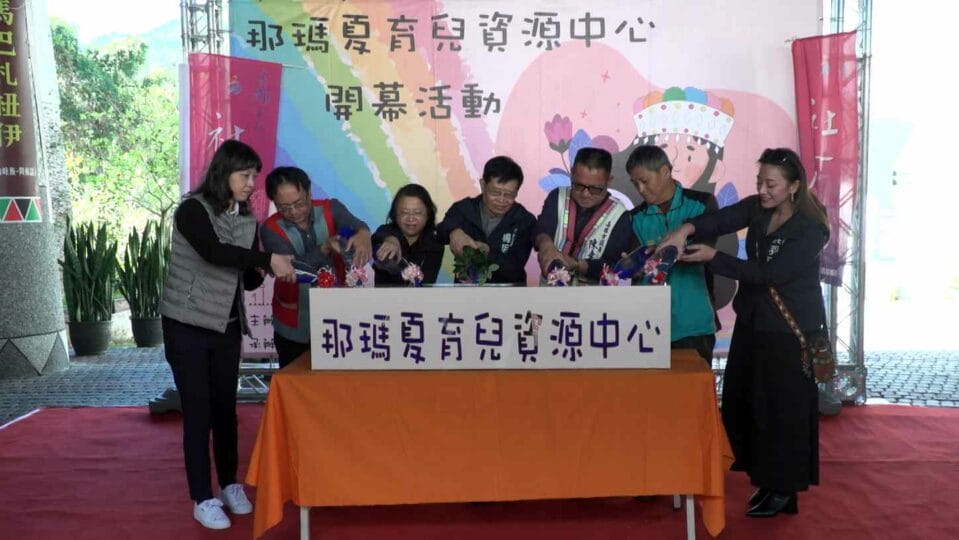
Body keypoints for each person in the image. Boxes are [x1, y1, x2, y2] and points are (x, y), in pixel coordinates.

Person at [657, 147, 829, 517]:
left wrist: (713, 258)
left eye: (772, 184)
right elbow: (719, 221)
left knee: (782, 409)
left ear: (794, 186)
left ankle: (785, 487)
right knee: (749, 403)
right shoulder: (757, 208)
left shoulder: (811, 229)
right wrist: (685, 229)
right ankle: (765, 479)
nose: (763, 190)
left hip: (788, 331)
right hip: (753, 323)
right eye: (759, 182)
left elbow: (770, 275)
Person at [159, 140, 296, 530]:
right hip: (186, 325)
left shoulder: (247, 220)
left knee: (225, 412)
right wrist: (264, 259)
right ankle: (202, 497)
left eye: (254, 177)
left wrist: (267, 268)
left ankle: (230, 484)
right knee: (198, 412)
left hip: (227, 326)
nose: (251, 184)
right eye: (244, 175)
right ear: (223, 173)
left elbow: (246, 279)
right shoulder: (192, 210)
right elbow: (213, 252)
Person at [261, 166, 371, 368]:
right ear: (274, 203)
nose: (294, 212)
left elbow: (354, 226)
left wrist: (363, 233)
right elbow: (292, 269)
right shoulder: (270, 229)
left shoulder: (331, 209)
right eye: (284, 207)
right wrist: (325, 247)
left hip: (339, 319)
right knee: (295, 381)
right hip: (294, 326)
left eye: (299, 204)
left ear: (309, 192)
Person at [626, 145, 718, 363]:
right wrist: (630, 266)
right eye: (634, 183)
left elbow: (700, 251)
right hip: (647, 325)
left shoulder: (702, 204)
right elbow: (634, 268)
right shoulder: (633, 217)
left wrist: (659, 253)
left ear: (665, 171)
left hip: (693, 323)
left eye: (644, 181)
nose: (640, 189)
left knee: (692, 384)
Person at [534, 147, 635, 284]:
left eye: (595, 189)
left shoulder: (620, 215)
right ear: (572, 173)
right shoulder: (557, 196)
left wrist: (577, 265)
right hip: (550, 290)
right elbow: (542, 229)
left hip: (591, 293)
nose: (585, 194)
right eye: (578, 185)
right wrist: (545, 244)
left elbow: (613, 264)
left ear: (609, 181)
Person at [437, 156, 536, 285]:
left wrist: (487, 252)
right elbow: (440, 231)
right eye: (495, 192)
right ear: (483, 185)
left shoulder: (525, 220)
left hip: (509, 292)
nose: (501, 200)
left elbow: (514, 268)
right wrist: (454, 232)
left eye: (509, 194)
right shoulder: (463, 209)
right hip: (467, 292)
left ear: (517, 192)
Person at [372, 183, 443, 286]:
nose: (411, 218)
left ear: (428, 215)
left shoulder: (434, 242)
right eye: (405, 212)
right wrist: (390, 239)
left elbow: (427, 283)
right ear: (395, 214)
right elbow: (377, 237)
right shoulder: (385, 231)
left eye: (417, 213)